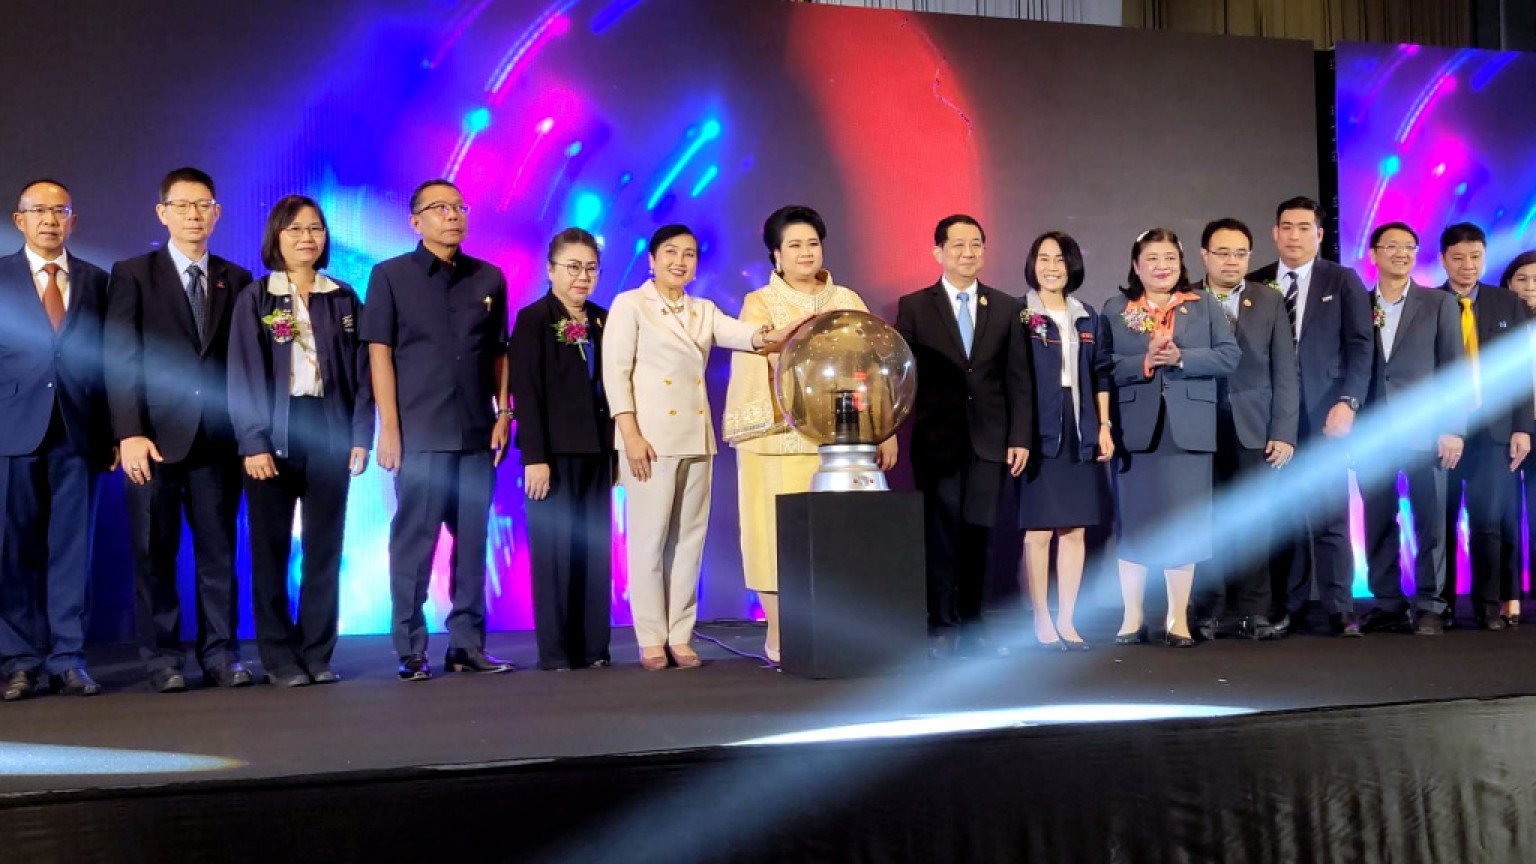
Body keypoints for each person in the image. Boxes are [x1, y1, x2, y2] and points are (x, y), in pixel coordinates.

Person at [603, 224, 803, 671]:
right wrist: (629, 436)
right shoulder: (631, 305)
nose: (680, 261)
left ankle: (680, 634)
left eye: (689, 254)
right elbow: (616, 375)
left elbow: (748, 336)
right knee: (650, 541)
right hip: (649, 441)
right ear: (651, 259)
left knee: (689, 541)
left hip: (696, 437)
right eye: (670, 252)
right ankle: (651, 637)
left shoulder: (702, 310)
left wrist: (784, 331)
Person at [105, 167, 254, 692]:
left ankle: (221, 654)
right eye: (183, 205)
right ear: (162, 212)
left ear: (217, 213)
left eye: (204, 205)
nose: (194, 215)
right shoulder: (133, 273)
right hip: (153, 442)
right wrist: (128, 433)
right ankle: (163, 659)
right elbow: (120, 359)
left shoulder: (236, 279)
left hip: (217, 441)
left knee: (218, 556)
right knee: (154, 554)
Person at [722, 206, 893, 663]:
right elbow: (751, 368)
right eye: (793, 245)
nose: (805, 253)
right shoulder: (759, 303)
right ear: (776, 256)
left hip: (841, 447)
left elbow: (871, 371)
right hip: (776, 443)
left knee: (840, 541)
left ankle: (838, 635)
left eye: (812, 243)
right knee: (774, 539)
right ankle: (779, 637)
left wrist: (882, 427)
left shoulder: (849, 300)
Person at [360, 179, 514, 681]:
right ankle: (410, 648)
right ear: (416, 221)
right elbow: (379, 354)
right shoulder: (389, 276)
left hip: (475, 433)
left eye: (459, 207)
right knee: (415, 543)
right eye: (439, 208)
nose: (452, 216)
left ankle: (467, 646)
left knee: (472, 544)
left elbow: (499, 353)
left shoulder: (489, 278)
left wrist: (504, 414)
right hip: (421, 432)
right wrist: (389, 428)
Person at [227, 196, 372, 686]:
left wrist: (360, 436)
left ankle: (317, 652)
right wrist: (253, 441)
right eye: (295, 229)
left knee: (324, 548)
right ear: (276, 237)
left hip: (329, 430)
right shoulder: (257, 297)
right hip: (273, 433)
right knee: (269, 550)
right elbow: (243, 374)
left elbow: (363, 374)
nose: (307, 237)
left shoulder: (343, 297)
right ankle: (279, 658)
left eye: (315, 228)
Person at [896, 215, 1032, 658]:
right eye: (957, 245)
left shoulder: (1007, 307)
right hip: (938, 441)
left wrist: (1020, 436)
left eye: (976, 244)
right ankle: (941, 626)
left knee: (980, 536)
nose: (967, 253)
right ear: (938, 252)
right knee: (939, 537)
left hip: (991, 442)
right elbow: (903, 378)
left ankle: (974, 627)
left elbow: (1018, 380)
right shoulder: (915, 306)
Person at [0, 180, 112, 701]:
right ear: (19, 219)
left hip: (78, 431)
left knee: (72, 550)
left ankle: (69, 657)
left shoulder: (96, 281)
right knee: (14, 550)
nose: (49, 219)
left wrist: (114, 432)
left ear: (73, 220)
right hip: (12, 430)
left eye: (59, 211)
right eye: (38, 211)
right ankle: (20, 659)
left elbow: (108, 362)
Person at [1103, 228, 1239, 647]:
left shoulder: (1203, 306)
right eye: (1153, 259)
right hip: (1136, 428)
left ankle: (1177, 619)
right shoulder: (1116, 308)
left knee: (1186, 523)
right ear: (1136, 266)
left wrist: (1182, 357)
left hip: (1190, 429)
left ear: (1181, 265)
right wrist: (1142, 362)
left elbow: (1229, 355)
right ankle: (1132, 617)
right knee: (1136, 522)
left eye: (1170, 259)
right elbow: (1103, 364)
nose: (1162, 266)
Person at [1249, 196, 1373, 637]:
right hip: (1272, 421)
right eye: (1287, 226)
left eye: (1304, 227)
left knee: (1329, 516)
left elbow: (1362, 346)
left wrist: (1349, 401)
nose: (1294, 235)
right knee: (1284, 519)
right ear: (1274, 232)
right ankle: (1289, 608)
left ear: (1319, 234)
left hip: (1326, 416)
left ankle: (1341, 608)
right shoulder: (1257, 283)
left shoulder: (1341, 280)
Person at [509, 227, 615, 671]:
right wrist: (535, 457)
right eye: (573, 267)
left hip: (597, 451)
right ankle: (556, 652)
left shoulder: (603, 319)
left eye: (590, 268)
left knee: (594, 549)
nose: (582, 277)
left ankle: (594, 648)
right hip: (552, 456)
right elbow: (526, 393)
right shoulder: (533, 319)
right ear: (551, 269)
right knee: (555, 553)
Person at [1188, 218, 1298, 641]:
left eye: (1240, 253)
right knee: (1207, 522)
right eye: (1222, 253)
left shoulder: (1267, 300)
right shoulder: (1187, 300)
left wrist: (1284, 431)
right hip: (1199, 430)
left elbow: (1286, 371)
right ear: (1204, 256)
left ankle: (1255, 613)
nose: (1231, 261)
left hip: (1255, 429)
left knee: (1256, 522)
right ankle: (1207, 612)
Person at [1355, 222, 1462, 636]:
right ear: (1374, 253)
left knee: (1430, 521)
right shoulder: (1359, 305)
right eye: (1392, 246)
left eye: (1409, 247)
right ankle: (1387, 603)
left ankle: (1431, 604)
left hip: (1427, 430)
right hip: (1371, 433)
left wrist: (1452, 428)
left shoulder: (1437, 303)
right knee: (1378, 521)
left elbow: (1453, 367)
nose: (1401, 253)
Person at [1013, 231, 1111, 650]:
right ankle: (1040, 619)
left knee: (1074, 531)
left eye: (1060, 259)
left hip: (1081, 426)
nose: (1052, 267)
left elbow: (1101, 372)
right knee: (1038, 532)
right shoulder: (1019, 313)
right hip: (1039, 429)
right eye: (1044, 259)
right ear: (1033, 264)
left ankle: (1068, 620)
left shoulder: (1086, 313)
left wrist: (1104, 425)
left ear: (1073, 266)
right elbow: (1012, 379)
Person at [1436, 223, 1532, 629]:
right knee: (1440, 520)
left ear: (1485, 257)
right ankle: (1438, 605)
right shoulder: (1428, 302)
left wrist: (1522, 427)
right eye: (1458, 258)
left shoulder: (1506, 303)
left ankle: (1488, 605)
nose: (1467, 266)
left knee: (1488, 521)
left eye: (1475, 257)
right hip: (1443, 431)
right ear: (1444, 259)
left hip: (1495, 431)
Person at [1501, 250, 1536, 626]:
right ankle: (1508, 597)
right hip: (1507, 430)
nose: (1530, 287)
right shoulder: (1498, 322)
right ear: (1508, 283)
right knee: (1506, 517)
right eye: (1522, 279)